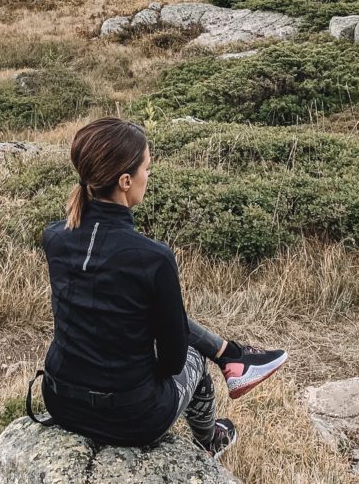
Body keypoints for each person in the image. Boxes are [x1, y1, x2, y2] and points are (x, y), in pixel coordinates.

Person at [34, 117, 288, 457]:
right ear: (125, 181)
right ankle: (211, 438)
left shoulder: (54, 237)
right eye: (147, 169)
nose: (148, 177)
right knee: (194, 359)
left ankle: (231, 355)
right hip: (134, 418)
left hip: (61, 400)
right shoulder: (152, 258)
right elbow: (172, 362)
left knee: (148, 319)